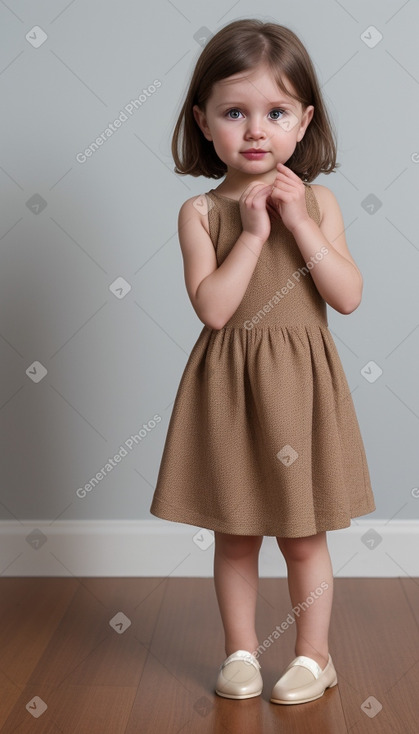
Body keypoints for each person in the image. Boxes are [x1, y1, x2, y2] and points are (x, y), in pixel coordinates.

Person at [150, 18, 376, 705]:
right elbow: (214, 309)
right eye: (234, 113)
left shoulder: (320, 201)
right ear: (204, 122)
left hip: (300, 389)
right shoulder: (200, 211)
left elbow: (346, 296)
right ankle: (241, 653)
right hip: (230, 391)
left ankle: (313, 657)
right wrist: (251, 233)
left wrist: (298, 220)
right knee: (236, 535)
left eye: (275, 112)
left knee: (303, 538)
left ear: (302, 122)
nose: (255, 130)